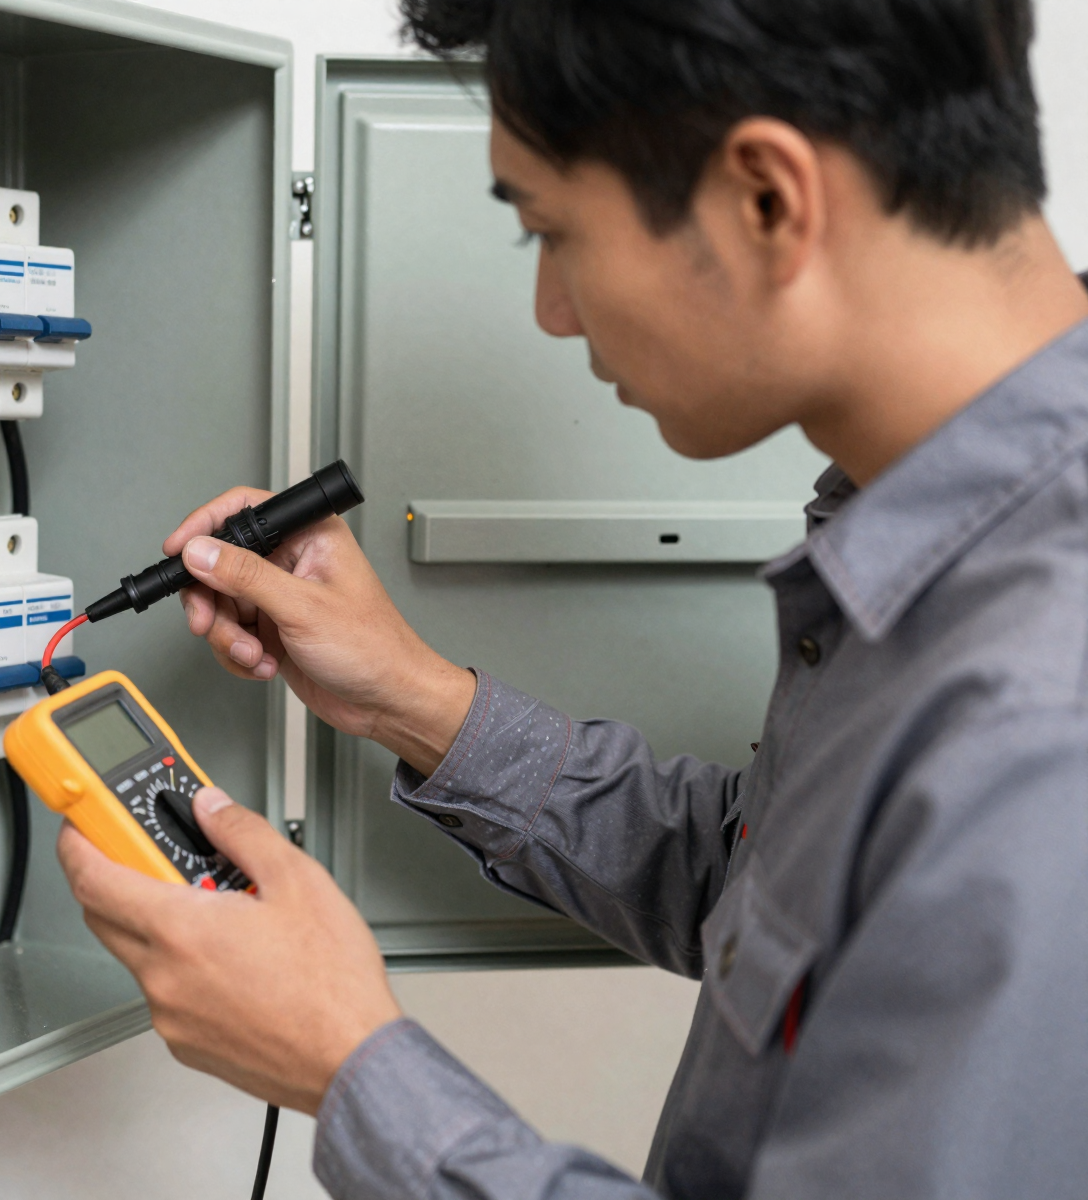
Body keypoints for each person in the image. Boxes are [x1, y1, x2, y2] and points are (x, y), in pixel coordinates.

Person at [58, 0, 1088, 1195]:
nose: (552, 310)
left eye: (551, 230)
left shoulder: (1041, 714)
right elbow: (752, 892)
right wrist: (414, 701)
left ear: (766, 200)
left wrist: (351, 1072)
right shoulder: (928, 534)